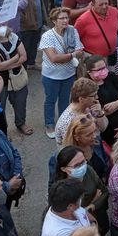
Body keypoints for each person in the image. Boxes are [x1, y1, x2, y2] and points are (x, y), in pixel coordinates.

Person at [39, 7, 84, 138]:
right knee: (50, 100)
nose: (65, 21)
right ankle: (49, 124)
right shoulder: (47, 36)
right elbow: (54, 58)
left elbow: (80, 50)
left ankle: (63, 122)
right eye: (62, 18)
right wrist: (72, 55)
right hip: (51, 75)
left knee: (65, 99)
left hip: (68, 73)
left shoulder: (72, 30)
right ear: (54, 20)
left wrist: (71, 54)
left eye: (66, 18)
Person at [52, 146, 109, 236]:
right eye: (77, 165)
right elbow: (71, 214)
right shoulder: (61, 190)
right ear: (63, 169)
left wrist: (91, 206)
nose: (82, 167)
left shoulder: (89, 171)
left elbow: (104, 192)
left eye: (83, 162)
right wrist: (93, 200)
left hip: (99, 217)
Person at [84, 55, 118, 145]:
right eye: (99, 70)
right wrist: (104, 112)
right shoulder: (87, 86)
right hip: (102, 130)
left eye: (104, 67)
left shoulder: (111, 76)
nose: (103, 71)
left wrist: (116, 104)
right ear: (89, 72)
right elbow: (91, 113)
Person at [53, 77, 108, 146]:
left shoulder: (90, 107)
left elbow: (103, 128)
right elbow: (71, 148)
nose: (97, 97)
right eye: (93, 95)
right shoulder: (68, 121)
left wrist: (100, 114)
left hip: (93, 144)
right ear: (81, 99)